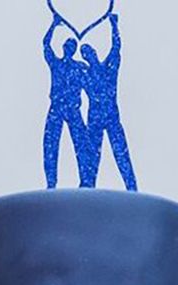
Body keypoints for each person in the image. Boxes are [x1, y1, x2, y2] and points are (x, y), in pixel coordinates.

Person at [80, 13, 137, 191]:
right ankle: (87, 189)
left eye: (89, 51)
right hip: (95, 118)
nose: (87, 55)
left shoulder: (108, 68)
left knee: (121, 153)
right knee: (91, 158)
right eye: (84, 54)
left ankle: (131, 187)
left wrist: (114, 26)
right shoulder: (84, 75)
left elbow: (116, 48)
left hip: (111, 117)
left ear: (95, 53)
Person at [42, 14, 94, 188]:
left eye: (72, 46)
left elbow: (92, 86)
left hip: (73, 109)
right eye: (67, 45)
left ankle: (86, 181)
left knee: (82, 144)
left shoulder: (79, 68)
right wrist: (53, 25)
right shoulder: (56, 64)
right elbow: (45, 45)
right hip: (57, 108)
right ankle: (51, 182)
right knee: (50, 145)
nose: (69, 48)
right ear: (64, 48)